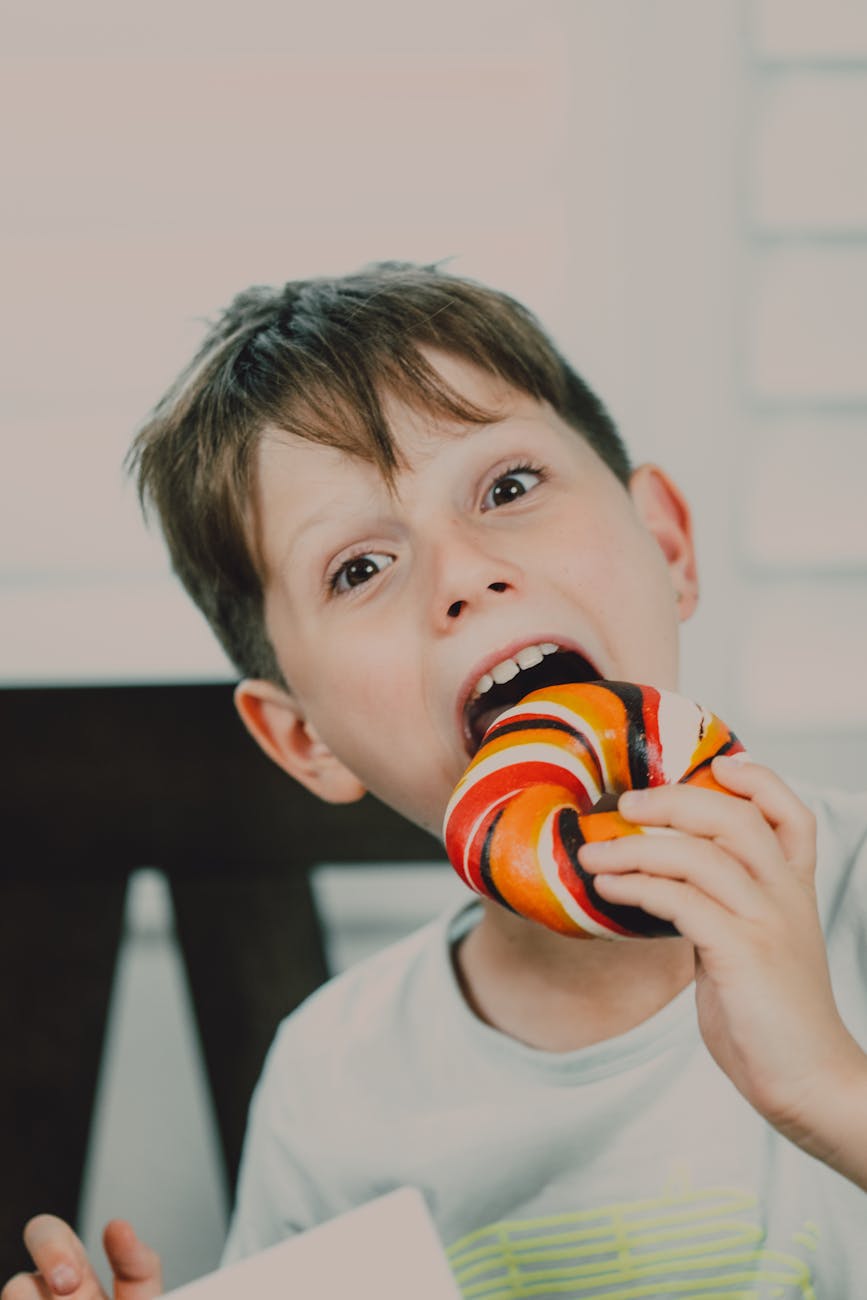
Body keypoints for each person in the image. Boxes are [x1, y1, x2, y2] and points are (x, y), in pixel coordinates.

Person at [5, 263, 867, 1299]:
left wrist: (829, 1084)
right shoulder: (333, 1083)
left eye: (508, 488)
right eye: (359, 568)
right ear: (303, 740)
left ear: (668, 542)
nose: (462, 573)